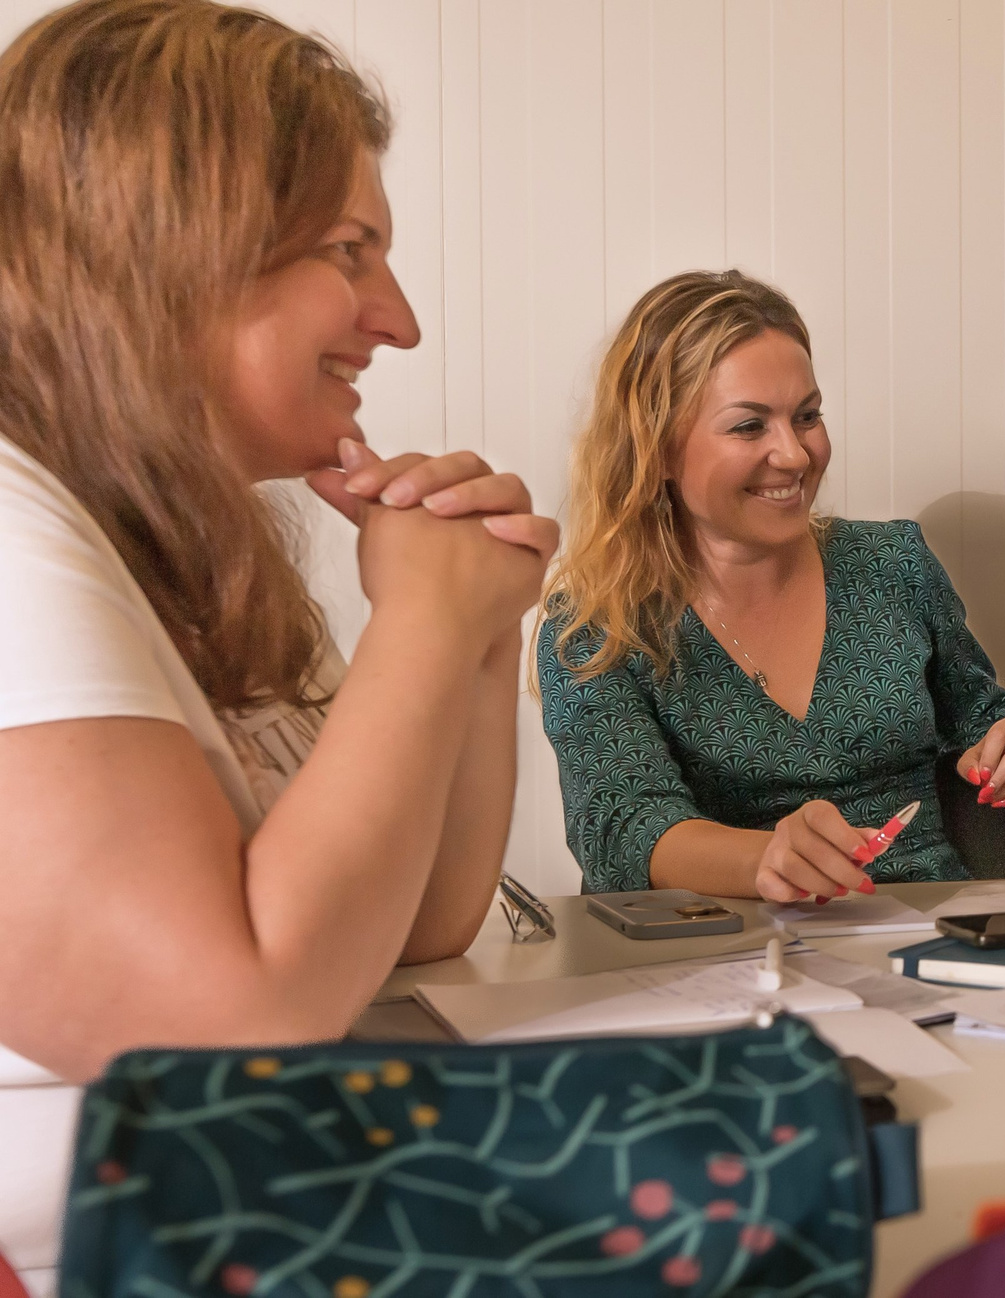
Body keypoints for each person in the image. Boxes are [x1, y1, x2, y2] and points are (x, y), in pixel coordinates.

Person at [0, 0, 555, 1283]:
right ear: (164, 244)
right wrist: (419, 616)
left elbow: (413, 915)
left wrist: (473, 628)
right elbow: (228, 1028)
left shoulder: (175, 549)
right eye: (350, 249)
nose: (399, 318)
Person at [539, 270, 1005, 902]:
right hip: (721, 954)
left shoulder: (893, 562)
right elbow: (623, 830)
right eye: (749, 426)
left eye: (806, 416)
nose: (795, 454)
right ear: (659, 448)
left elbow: (980, 716)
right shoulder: (597, 625)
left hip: (931, 930)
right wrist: (770, 859)